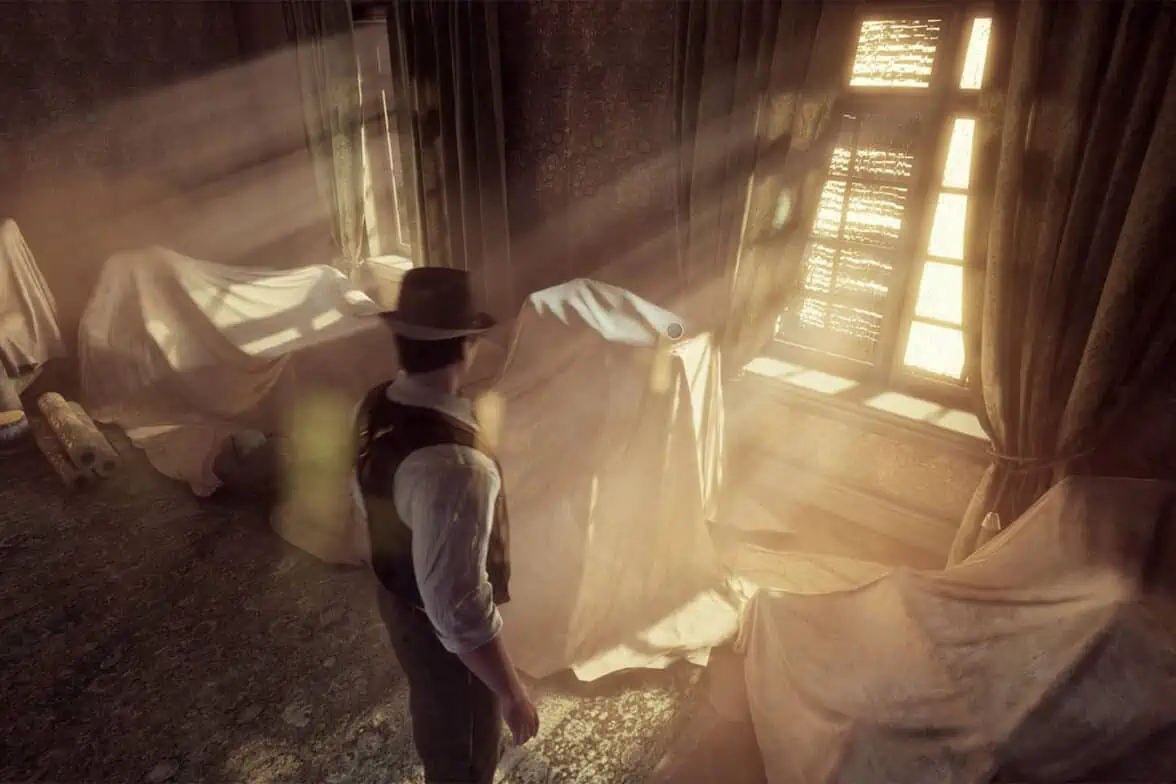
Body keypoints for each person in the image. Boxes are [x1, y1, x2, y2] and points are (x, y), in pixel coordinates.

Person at [353, 267, 538, 783]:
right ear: (466, 347)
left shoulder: (374, 404)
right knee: (464, 751)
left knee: (433, 714)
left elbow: (364, 497)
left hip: (397, 600)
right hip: (441, 637)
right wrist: (512, 693)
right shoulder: (457, 468)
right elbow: (459, 612)